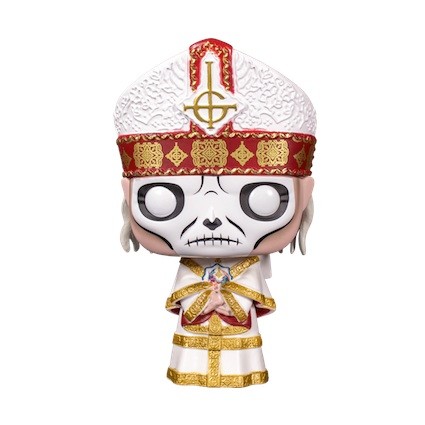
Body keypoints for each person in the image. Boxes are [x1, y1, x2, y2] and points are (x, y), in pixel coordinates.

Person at [115, 39, 317, 387]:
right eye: (164, 199)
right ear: (127, 193)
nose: (211, 216)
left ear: (304, 195)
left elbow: (255, 295)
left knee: (241, 354)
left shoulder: (244, 267)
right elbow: (181, 295)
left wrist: (226, 301)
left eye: (261, 198)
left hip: (237, 330)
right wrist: (208, 298)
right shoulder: (194, 267)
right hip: (196, 329)